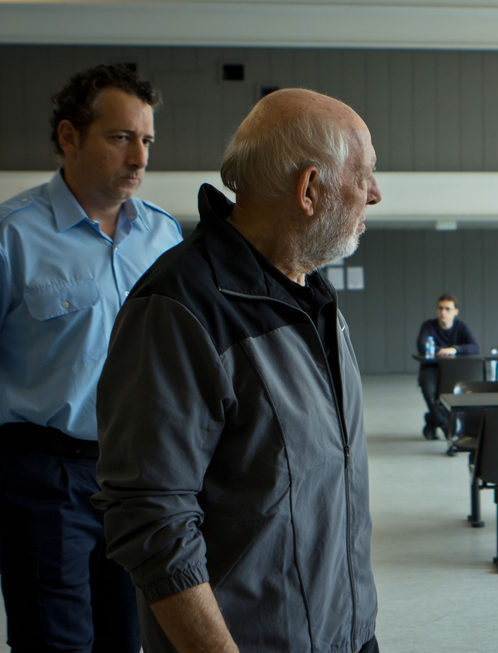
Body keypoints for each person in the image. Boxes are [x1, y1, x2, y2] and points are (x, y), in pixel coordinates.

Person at [93, 88, 382, 652]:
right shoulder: (180, 308)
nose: (374, 193)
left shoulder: (313, 299)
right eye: (364, 174)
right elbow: (152, 520)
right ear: (310, 189)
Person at [0, 64, 181, 652]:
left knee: (129, 638)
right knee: (56, 642)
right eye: (121, 137)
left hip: (142, 478)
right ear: (69, 137)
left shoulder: (164, 239)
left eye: (147, 140)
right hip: (43, 477)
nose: (139, 157)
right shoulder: (13, 236)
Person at [416, 293, 479, 440]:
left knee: (455, 393)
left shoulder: (461, 327)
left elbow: (474, 347)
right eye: (440, 308)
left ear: (455, 311)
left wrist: (455, 349)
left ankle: (432, 420)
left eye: (447, 309)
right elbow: (421, 346)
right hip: (431, 368)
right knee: (428, 389)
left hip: (453, 371)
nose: (443, 312)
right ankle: (445, 424)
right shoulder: (428, 326)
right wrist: (441, 350)